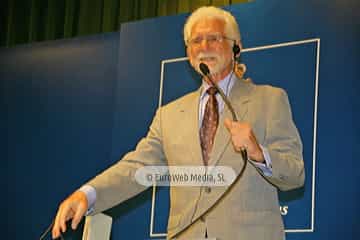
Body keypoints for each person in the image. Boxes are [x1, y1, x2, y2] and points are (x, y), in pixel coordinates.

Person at [52, 6, 304, 240]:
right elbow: (136, 167)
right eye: (196, 41)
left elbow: (295, 175)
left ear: (236, 47)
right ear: (187, 52)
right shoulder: (169, 114)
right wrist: (88, 193)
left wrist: (259, 153)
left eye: (214, 38)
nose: (204, 46)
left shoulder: (270, 100)